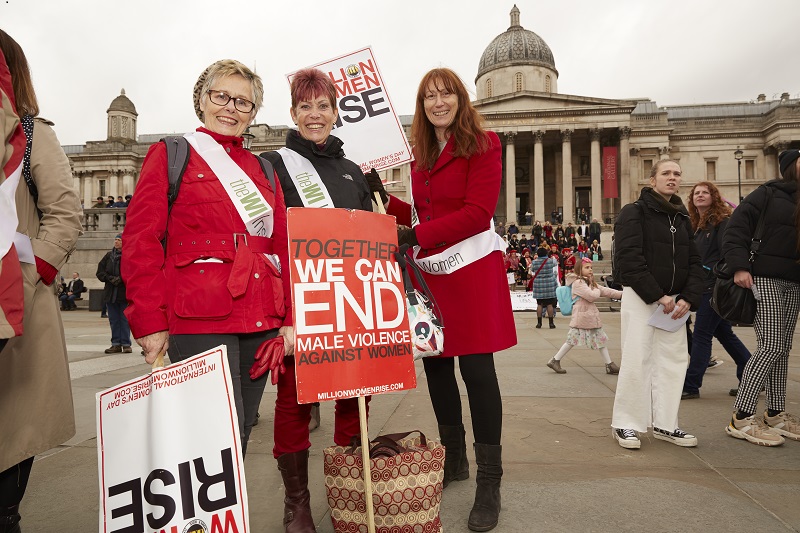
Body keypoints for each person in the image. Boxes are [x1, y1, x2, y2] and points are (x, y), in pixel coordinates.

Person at [122, 60, 292, 457]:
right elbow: (141, 240)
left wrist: (291, 321)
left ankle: (228, 519)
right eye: (222, 96)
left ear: (253, 114)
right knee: (209, 435)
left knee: (242, 430)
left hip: (260, 317)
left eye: (244, 103)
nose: (231, 108)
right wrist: (148, 321)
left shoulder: (264, 167)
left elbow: (282, 245)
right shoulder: (172, 153)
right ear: (202, 99)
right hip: (198, 316)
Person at [379, 68, 516, 532]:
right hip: (434, 274)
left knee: (478, 373)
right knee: (437, 371)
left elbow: (477, 214)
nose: (438, 102)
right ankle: (453, 460)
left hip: (471, 272)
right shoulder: (420, 154)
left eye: (446, 94)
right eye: (429, 96)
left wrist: (413, 233)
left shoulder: (484, 143)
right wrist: (380, 196)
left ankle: (489, 482)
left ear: (461, 98)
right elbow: (424, 211)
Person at [260, 67, 373, 532]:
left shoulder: (353, 170)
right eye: (305, 106)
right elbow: (265, 234)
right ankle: (298, 502)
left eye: (322, 106)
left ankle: (346, 494)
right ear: (293, 112)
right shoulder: (274, 163)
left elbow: (368, 239)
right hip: (301, 303)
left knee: (355, 399)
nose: (314, 114)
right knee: (294, 403)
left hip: (351, 301)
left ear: (334, 111)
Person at [0, 29, 82, 532]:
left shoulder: (32, 134)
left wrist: (29, 276)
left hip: (14, 303)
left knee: (12, 430)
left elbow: (65, 213)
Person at [611, 159, 703, 450]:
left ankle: (666, 423)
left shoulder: (682, 217)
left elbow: (695, 262)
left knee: (673, 363)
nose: (672, 178)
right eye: (666, 173)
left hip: (675, 302)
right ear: (652, 180)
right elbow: (629, 259)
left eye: (677, 173)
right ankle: (625, 422)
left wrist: (688, 297)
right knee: (637, 359)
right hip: (642, 298)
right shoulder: (634, 212)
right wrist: (657, 295)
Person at [722, 149, 800, 446]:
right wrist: (739, 266)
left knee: (783, 348)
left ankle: (776, 413)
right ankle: (740, 417)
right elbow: (736, 229)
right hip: (763, 277)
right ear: (791, 166)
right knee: (771, 345)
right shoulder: (766, 193)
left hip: (794, 281)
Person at [681, 182, 751, 400]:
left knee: (702, 334)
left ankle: (691, 385)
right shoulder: (697, 225)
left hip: (714, 286)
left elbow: (728, 253)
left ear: (714, 197)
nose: (700, 196)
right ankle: (752, 377)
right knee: (724, 333)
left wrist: (713, 271)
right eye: (696, 193)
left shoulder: (722, 222)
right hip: (703, 285)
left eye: (705, 192)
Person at [547, 258, 622, 374]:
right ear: (579, 270)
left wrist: (623, 294)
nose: (590, 270)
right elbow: (591, 295)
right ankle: (555, 360)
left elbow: (606, 291)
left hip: (589, 317)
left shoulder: (588, 282)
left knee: (600, 340)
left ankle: (609, 364)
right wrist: (596, 288)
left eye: (591, 267)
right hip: (582, 316)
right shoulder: (578, 283)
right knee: (572, 340)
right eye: (587, 267)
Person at [97, 235, 131, 353]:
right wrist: (109, 278)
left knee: (124, 319)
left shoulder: (128, 256)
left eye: (119, 240)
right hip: (111, 293)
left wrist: (122, 279)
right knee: (114, 320)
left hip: (124, 293)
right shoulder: (108, 256)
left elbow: (133, 272)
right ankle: (116, 343)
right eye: (115, 240)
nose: (116, 242)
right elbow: (100, 272)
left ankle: (126, 344)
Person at [530, 247, 558, 329]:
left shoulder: (534, 262)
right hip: (549, 284)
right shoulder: (550, 261)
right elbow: (556, 263)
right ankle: (551, 323)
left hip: (538, 285)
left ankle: (539, 323)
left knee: (539, 304)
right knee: (549, 304)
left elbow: (532, 269)